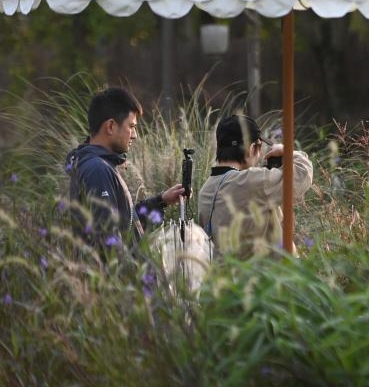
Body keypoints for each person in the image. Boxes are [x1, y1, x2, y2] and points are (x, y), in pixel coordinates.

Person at [66, 87, 186, 252]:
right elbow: (108, 244)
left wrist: (161, 201)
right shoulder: (97, 170)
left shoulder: (99, 166)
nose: (135, 135)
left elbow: (124, 223)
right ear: (111, 126)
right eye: (131, 126)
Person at [198, 114, 314, 259]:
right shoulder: (252, 181)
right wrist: (288, 151)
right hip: (268, 278)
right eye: (259, 147)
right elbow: (303, 172)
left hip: (228, 277)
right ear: (252, 148)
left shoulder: (204, 191)